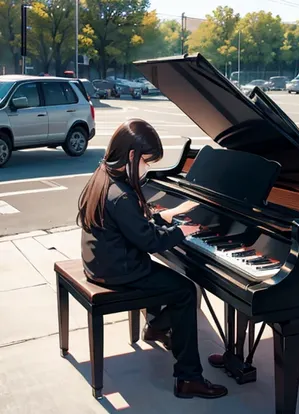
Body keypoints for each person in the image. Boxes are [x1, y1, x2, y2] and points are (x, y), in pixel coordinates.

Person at [77, 118, 228, 399]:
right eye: (147, 160)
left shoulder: (103, 175)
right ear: (132, 156)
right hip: (118, 271)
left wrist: (164, 216)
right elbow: (150, 241)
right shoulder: (121, 195)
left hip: (101, 260)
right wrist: (182, 231)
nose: (148, 167)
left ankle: (156, 327)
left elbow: (133, 226)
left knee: (166, 281)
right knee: (184, 290)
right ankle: (188, 378)